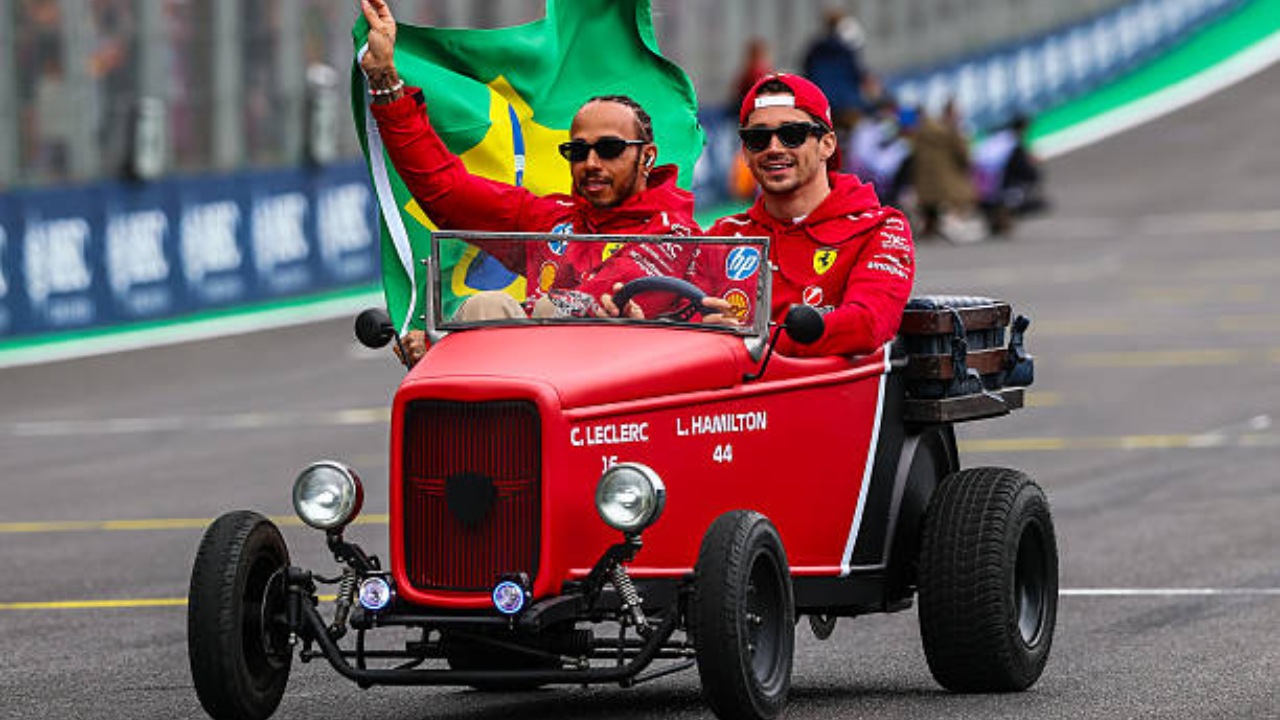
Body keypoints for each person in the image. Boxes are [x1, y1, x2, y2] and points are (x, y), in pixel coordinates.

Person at [358, 0, 716, 364]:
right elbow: (446, 192)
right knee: (486, 305)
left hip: (625, 402)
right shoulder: (552, 220)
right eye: (577, 151)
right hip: (537, 395)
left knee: (546, 307)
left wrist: (444, 344)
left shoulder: (674, 235)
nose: (591, 163)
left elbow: (589, 305)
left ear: (648, 157)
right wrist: (386, 80)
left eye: (609, 149)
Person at [705, 73, 915, 358]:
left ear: (827, 144)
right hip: (734, 398)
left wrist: (750, 343)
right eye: (758, 138)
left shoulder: (880, 228)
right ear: (745, 151)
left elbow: (867, 324)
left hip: (831, 399)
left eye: (792, 135)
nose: (774, 148)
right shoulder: (723, 235)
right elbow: (678, 318)